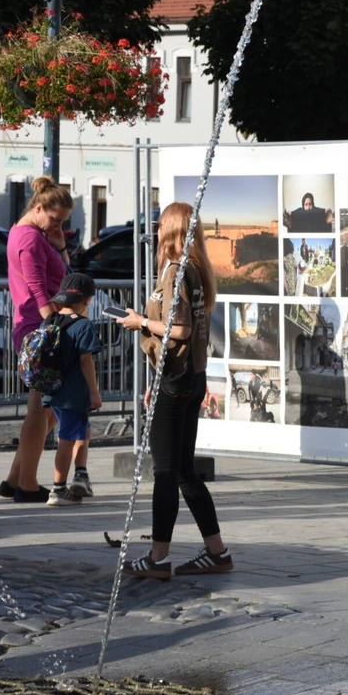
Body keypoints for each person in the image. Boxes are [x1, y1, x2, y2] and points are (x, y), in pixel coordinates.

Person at [117, 202, 231, 579]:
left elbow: (177, 330)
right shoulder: (198, 269)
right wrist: (155, 381)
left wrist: (139, 321)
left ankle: (157, 557)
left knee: (165, 471)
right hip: (190, 376)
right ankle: (217, 552)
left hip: (178, 378)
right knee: (184, 470)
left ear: (170, 230)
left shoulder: (176, 271)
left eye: (161, 224)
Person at [0, 177, 73, 504]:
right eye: (54, 219)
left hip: (35, 326)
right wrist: (52, 323)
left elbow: (62, 275)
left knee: (47, 409)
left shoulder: (27, 232)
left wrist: (59, 245)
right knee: (41, 408)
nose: (56, 225)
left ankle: (16, 478)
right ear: (38, 207)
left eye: (62, 222)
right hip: (38, 328)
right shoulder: (29, 238)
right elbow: (36, 287)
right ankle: (26, 484)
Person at [41, 274, 103, 507]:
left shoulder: (49, 320)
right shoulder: (83, 325)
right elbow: (86, 360)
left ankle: (81, 475)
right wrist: (94, 392)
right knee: (66, 438)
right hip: (74, 393)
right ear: (87, 300)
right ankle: (57, 490)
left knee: (83, 430)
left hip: (53, 392)